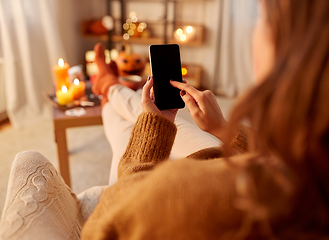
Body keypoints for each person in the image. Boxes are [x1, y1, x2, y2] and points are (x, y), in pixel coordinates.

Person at [81, 0, 329, 239]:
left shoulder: (202, 195)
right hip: (239, 157)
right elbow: (277, 155)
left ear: (292, 47)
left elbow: (108, 220)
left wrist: (152, 131)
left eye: (262, 15)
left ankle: (107, 86)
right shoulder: (309, 169)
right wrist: (221, 127)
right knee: (137, 117)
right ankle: (109, 88)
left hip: (214, 168)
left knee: (132, 127)